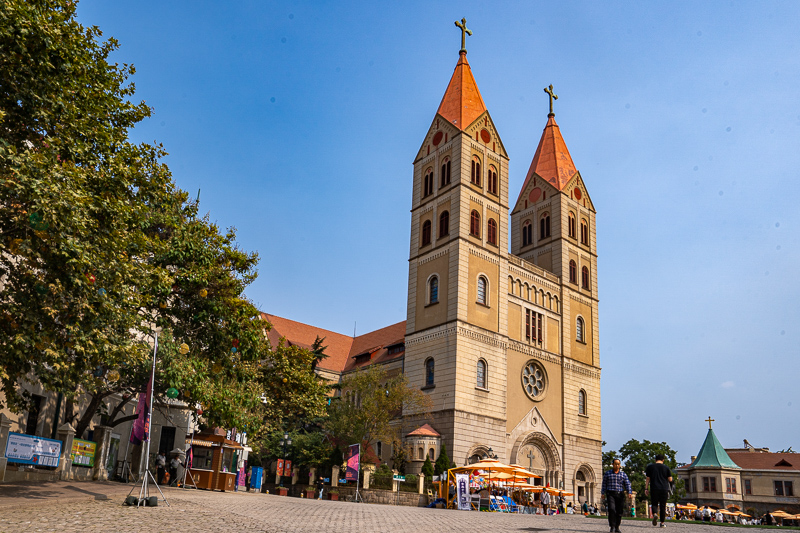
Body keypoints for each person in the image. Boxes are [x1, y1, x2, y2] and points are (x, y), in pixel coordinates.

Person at [601, 458, 632, 533]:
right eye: (615, 464)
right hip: (610, 493)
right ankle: (612, 526)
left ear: (620, 465)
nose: (617, 465)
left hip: (620, 494)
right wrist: (602, 493)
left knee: (619, 511)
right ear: (612, 464)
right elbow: (604, 483)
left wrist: (629, 492)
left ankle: (617, 527)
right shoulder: (608, 473)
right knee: (611, 509)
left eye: (618, 464)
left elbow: (627, 483)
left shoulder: (623, 474)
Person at [644, 453, 673, 528]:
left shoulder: (650, 467)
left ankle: (655, 514)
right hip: (664, 488)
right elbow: (670, 479)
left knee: (654, 503)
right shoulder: (666, 468)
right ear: (663, 460)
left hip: (654, 488)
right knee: (663, 506)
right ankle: (662, 523)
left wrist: (646, 488)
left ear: (655, 460)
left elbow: (647, 479)